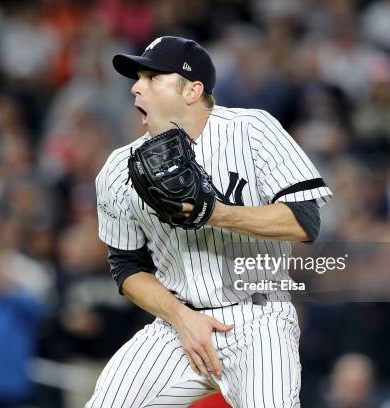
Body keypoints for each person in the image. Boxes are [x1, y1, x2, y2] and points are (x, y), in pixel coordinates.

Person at [88, 36, 333, 407]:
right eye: (138, 77)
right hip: (176, 322)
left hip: (258, 320)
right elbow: (126, 267)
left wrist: (215, 213)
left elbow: (305, 221)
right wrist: (181, 317)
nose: (137, 86)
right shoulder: (119, 169)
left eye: (153, 78)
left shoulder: (252, 130)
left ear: (192, 90)